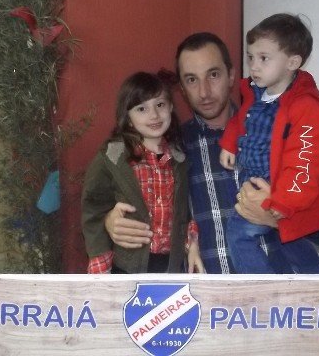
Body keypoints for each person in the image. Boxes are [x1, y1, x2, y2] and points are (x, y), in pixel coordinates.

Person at [104, 33, 292, 274]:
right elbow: (116, 202)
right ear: (182, 89)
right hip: (204, 294)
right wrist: (108, 221)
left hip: (278, 290)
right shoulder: (169, 150)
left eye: (213, 75)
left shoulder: (279, 133)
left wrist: (277, 219)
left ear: (231, 75)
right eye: (192, 80)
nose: (204, 92)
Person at [219, 13, 319, 274]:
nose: (254, 66)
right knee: (290, 241)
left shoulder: (307, 108)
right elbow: (242, 121)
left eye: (264, 58)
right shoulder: (255, 94)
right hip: (261, 183)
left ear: (292, 62)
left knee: (238, 234)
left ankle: (261, 287)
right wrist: (229, 143)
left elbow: (306, 162)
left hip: (286, 191)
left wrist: (283, 202)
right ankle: (316, 282)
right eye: (250, 57)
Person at [81, 72, 203, 274]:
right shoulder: (112, 157)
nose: (154, 115)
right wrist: (100, 262)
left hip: (169, 267)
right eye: (142, 109)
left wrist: (192, 244)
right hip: (126, 267)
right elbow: (93, 209)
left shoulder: (179, 159)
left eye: (160, 105)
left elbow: (184, 213)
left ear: (171, 107)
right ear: (128, 118)